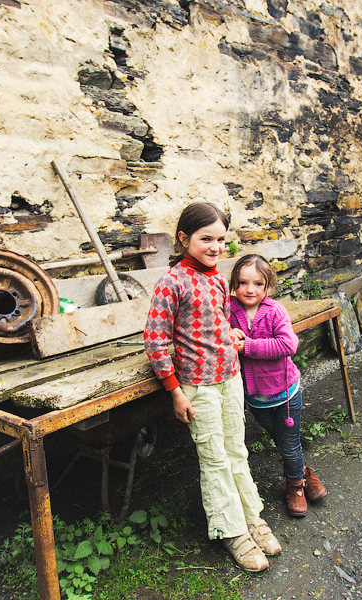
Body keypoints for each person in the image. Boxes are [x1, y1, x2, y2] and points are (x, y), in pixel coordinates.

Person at [143, 202, 281, 573]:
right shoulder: (172, 281)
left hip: (230, 378)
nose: (216, 247)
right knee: (214, 457)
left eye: (221, 239)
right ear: (184, 238)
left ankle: (252, 518)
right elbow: (155, 341)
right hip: (197, 387)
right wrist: (175, 391)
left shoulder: (220, 279)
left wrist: (229, 332)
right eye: (206, 239)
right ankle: (231, 531)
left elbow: (216, 319)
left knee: (236, 448)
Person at [228, 254, 328, 518]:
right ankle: (305, 472)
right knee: (284, 443)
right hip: (255, 399)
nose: (249, 290)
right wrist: (227, 334)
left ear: (268, 286)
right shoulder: (228, 310)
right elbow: (214, 332)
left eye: (258, 284)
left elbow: (288, 345)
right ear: (234, 284)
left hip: (285, 396)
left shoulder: (274, 311)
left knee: (288, 445)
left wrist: (247, 346)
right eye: (242, 283)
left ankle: (294, 486)